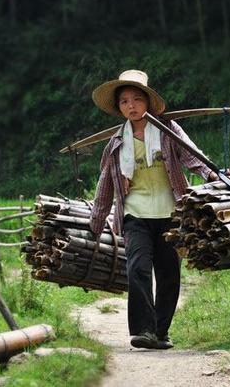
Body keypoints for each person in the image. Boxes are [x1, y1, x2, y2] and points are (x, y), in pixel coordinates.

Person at [88, 69, 219, 349]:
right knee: (137, 268)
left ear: (148, 101)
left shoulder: (168, 130)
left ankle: (161, 331)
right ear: (119, 107)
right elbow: (105, 186)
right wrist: (95, 226)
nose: (131, 106)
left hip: (171, 213)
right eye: (124, 102)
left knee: (169, 274)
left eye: (137, 99)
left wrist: (213, 175)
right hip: (134, 213)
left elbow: (193, 157)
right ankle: (143, 330)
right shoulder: (116, 142)